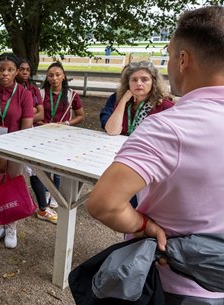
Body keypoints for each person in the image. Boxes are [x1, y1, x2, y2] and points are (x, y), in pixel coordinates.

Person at [87, 6, 224, 304]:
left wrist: (143, 226)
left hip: (173, 281)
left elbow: (103, 204)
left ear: (183, 59)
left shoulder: (169, 126)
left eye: (170, 52)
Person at [0, 53, 34, 248]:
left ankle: (12, 226)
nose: (5, 73)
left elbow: (25, 129)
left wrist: (6, 156)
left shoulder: (24, 94)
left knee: (13, 185)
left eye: (10, 70)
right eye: (1, 69)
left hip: (15, 149)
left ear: (16, 72)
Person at [36, 61, 85, 210]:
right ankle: (45, 192)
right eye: (50, 75)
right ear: (47, 78)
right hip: (43, 135)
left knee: (58, 168)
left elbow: (80, 116)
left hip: (63, 136)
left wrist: (67, 124)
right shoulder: (41, 93)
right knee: (44, 166)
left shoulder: (72, 95)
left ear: (63, 76)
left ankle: (56, 195)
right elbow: (35, 114)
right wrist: (41, 124)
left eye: (57, 75)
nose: (54, 78)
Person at [15, 59, 57, 223]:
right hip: (12, 134)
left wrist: (24, 112)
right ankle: (15, 205)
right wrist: (29, 111)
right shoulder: (11, 89)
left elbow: (40, 114)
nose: (25, 72)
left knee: (34, 170)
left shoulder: (33, 89)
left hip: (29, 134)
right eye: (21, 69)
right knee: (14, 172)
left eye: (27, 69)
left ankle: (42, 208)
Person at [104, 61, 174, 136]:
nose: (139, 83)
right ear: (128, 83)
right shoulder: (124, 103)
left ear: (153, 82)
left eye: (144, 79)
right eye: (134, 80)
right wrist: (123, 100)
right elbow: (112, 131)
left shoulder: (165, 106)